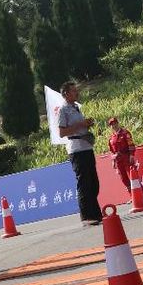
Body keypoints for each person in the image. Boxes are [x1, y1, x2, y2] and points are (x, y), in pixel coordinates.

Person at [57, 81, 102, 226]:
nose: (77, 92)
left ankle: (96, 213)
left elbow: (80, 126)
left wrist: (87, 124)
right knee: (84, 182)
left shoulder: (76, 107)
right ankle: (87, 216)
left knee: (93, 182)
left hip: (86, 146)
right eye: (74, 91)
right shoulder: (63, 110)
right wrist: (80, 125)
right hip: (76, 149)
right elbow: (61, 132)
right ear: (66, 94)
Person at [107, 116, 136, 193]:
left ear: (118, 123)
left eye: (115, 123)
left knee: (132, 176)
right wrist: (113, 161)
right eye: (112, 125)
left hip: (126, 157)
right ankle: (131, 195)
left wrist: (132, 155)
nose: (114, 126)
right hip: (118, 160)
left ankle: (142, 195)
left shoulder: (125, 133)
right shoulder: (111, 138)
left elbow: (131, 144)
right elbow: (111, 151)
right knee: (123, 178)